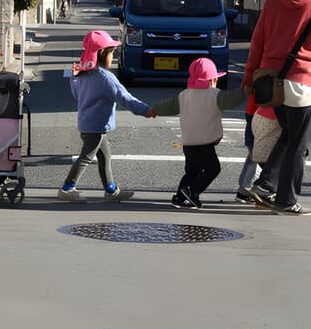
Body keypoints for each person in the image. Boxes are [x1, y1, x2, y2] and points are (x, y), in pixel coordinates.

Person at [242, 0, 311, 217]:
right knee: (299, 143)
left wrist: (249, 77)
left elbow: (257, 41)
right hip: (302, 82)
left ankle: (265, 183)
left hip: (271, 82)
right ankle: (286, 199)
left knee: (288, 135)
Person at [58, 30, 155, 203]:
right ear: (102, 53)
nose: (113, 58)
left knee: (104, 156)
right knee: (86, 157)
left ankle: (111, 190)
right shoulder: (106, 77)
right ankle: (67, 188)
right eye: (112, 53)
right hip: (96, 126)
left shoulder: (82, 74)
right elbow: (125, 98)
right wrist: (145, 110)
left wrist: (72, 79)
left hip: (88, 124)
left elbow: (77, 94)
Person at [151, 58, 247, 209]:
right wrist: (245, 90)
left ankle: (181, 196)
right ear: (213, 79)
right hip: (205, 143)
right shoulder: (216, 96)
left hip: (188, 142)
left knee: (191, 171)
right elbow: (233, 99)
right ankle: (192, 192)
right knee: (213, 168)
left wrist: (153, 109)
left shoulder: (184, 95)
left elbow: (167, 106)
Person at [234, 93, 277, 207]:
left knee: (255, 152)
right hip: (267, 110)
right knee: (260, 153)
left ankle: (245, 191)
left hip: (255, 109)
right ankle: (255, 190)